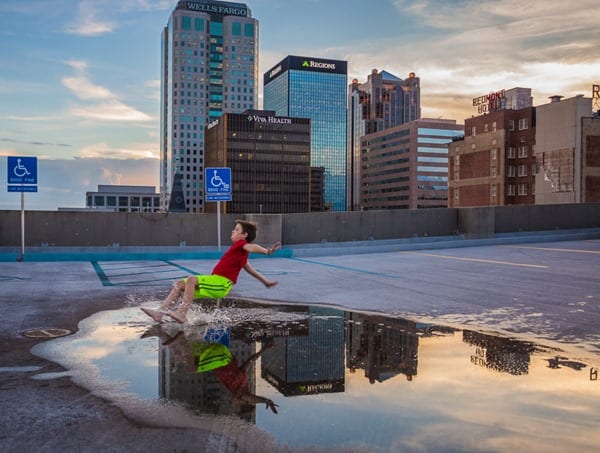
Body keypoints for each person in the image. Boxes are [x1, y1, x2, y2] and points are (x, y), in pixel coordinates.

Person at [142, 219, 280, 324]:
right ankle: (160, 313)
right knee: (179, 284)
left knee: (191, 279)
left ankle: (182, 313)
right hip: (215, 280)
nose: (232, 231)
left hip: (221, 283)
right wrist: (266, 282)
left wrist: (267, 251)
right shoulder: (239, 253)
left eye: (236, 230)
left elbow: (253, 247)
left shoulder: (241, 245)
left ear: (244, 235)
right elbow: (252, 271)